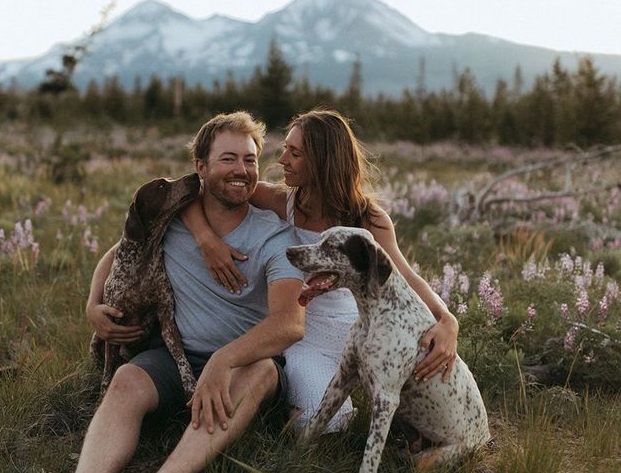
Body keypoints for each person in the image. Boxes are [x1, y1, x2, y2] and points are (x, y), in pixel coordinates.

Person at [0, 112, 304, 473]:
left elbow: (289, 324)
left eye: (249, 160)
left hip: (242, 363)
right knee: (128, 378)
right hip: (177, 356)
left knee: (263, 370)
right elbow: (119, 253)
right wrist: (92, 304)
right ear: (200, 167)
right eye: (228, 159)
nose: (241, 171)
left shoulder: (274, 236)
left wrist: (224, 360)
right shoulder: (171, 220)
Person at [183, 109, 459, 432]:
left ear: (322, 162)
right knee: (324, 424)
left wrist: (447, 319)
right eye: (286, 148)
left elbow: (406, 277)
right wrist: (204, 237)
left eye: (295, 153)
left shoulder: (368, 218)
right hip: (306, 338)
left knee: (433, 394)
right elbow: (192, 190)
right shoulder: (280, 202)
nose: (282, 159)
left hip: (362, 330)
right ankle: (347, 409)